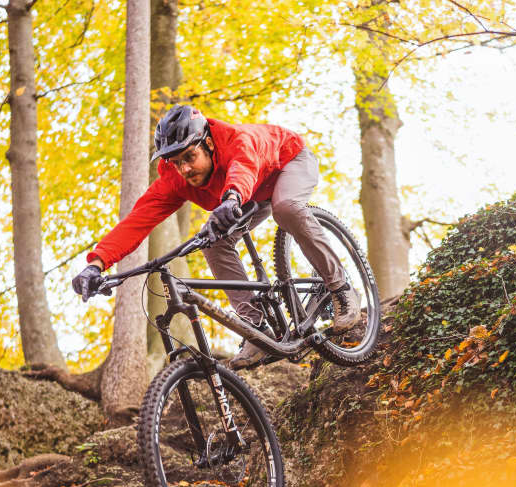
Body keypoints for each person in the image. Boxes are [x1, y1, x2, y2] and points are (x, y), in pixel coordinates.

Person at [72, 105, 361, 370]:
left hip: (287, 162)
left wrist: (232, 196)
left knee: (285, 208)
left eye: (190, 157)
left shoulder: (236, 140)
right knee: (213, 241)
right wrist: (96, 264)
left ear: (208, 143)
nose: (184, 168)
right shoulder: (175, 178)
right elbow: (137, 221)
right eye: (176, 162)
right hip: (244, 194)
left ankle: (341, 288)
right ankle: (256, 326)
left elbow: (243, 166)